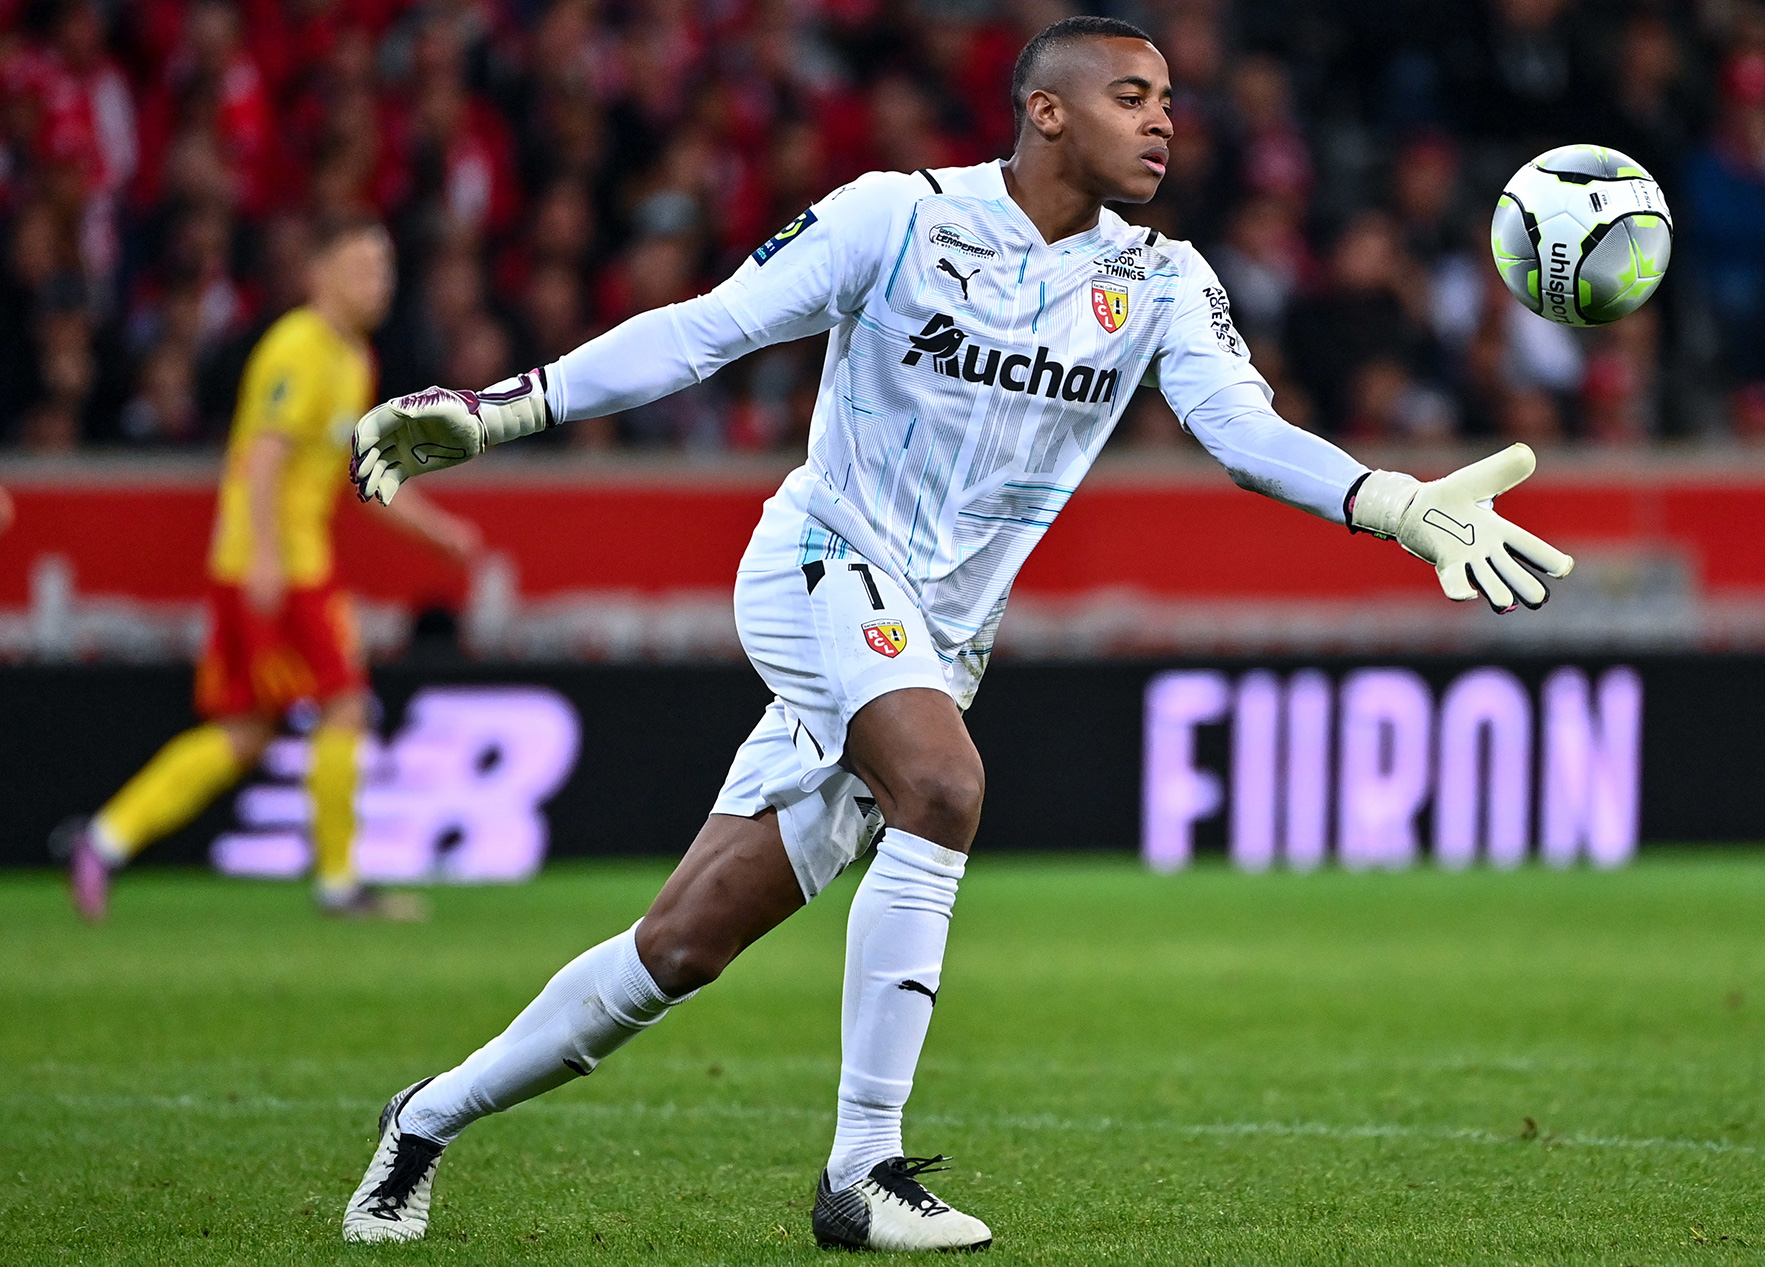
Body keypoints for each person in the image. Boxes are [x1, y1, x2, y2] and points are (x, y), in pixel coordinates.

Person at [338, 17, 1576, 1253]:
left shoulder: (1158, 280)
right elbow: (704, 329)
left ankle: (423, 1120)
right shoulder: (896, 216)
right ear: (1046, 111)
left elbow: (1244, 434)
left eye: (1166, 102)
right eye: (1131, 96)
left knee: (682, 944)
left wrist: (1394, 503)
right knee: (941, 785)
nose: (1161, 122)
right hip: (819, 561)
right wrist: (505, 411)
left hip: (932, 642)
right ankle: (862, 1170)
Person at [55, 216, 481, 921]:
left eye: (385, 270)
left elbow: (356, 472)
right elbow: (262, 459)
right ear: (320, 275)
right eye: (362, 268)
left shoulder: (352, 357)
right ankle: (341, 883)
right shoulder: (297, 349)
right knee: (343, 702)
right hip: (280, 565)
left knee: (246, 732)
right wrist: (264, 557)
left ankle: (103, 839)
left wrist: (435, 532)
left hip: (273, 562)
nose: (379, 283)